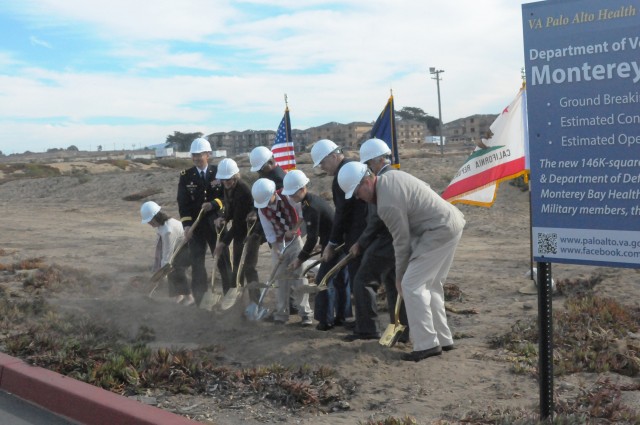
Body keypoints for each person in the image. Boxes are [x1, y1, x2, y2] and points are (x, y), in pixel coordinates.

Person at [338, 162, 465, 362]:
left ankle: (427, 344)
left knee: (411, 285)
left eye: (357, 192)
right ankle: (443, 338)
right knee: (431, 285)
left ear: (366, 181)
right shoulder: (392, 178)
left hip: (438, 230)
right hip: (450, 222)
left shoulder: (386, 203)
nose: (358, 197)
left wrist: (399, 278)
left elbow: (401, 242)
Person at [344, 138, 409, 341]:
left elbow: (375, 220)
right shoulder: (395, 175)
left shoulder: (382, 181)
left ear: (378, 160)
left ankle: (367, 329)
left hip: (388, 238)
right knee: (393, 285)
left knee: (363, 280)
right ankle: (401, 331)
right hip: (396, 236)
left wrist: (361, 243)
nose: (368, 168)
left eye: (369, 163)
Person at [310, 139, 368, 327]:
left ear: (334, 156)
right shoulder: (353, 167)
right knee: (347, 278)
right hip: (358, 233)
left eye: (323, 163)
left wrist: (332, 243)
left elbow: (342, 213)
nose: (322, 168)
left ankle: (333, 322)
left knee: (330, 278)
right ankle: (347, 318)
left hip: (355, 235)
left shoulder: (344, 174)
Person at [283, 170, 344, 331]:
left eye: (292, 194)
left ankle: (326, 321)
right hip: (332, 241)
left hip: (335, 245)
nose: (290, 198)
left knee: (323, 281)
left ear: (302, 189)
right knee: (339, 281)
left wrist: (299, 260)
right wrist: (322, 245)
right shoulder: (308, 202)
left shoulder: (312, 207)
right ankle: (342, 317)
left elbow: (311, 238)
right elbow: (323, 228)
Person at [177, 137, 233, 306]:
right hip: (196, 227)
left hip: (216, 223)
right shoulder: (186, 176)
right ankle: (201, 300)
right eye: (193, 155)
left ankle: (229, 297)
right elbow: (183, 203)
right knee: (197, 264)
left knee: (223, 261)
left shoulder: (219, 172)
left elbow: (227, 196)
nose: (196, 158)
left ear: (208, 154)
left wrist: (215, 205)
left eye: (199, 155)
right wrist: (187, 226)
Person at [251, 178, 313, 325]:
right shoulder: (262, 209)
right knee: (279, 280)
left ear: (273, 193)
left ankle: (305, 314)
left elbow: (302, 214)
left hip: (295, 242)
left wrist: (293, 229)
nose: (266, 205)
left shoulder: (288, 197)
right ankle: (281, 314)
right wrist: (276, 250)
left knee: (299, 276)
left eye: (268, 200)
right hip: (279, 245)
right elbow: (269, 231)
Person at [248, 145, 299, 314]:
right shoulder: (268, 176)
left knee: (288, 269)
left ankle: (290, 305)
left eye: (261, 168)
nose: (259, 172)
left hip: (285, 233)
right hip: (276, 232)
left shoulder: (278, 180)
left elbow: (282, 213)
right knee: (284, 269)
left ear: (269, 163)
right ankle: (289, 304)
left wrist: (273, 241)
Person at [213, 158, 261, 303]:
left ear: (235, 177)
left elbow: (239, 221)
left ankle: (255, 302)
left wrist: (223, 243)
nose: (226, 182)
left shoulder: (243, 191)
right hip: (239, 232)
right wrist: (225, 218)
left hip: (251, 232)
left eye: (229, 179)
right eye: (224, 180)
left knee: (248, 268)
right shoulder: (227, 187)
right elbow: (230, 209)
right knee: (237, 268)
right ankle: (237, 301)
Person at [140, 201, 194, 305]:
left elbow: (167, 256)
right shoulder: (163, 225)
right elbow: (162, 249)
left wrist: (161, 274)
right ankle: (179, 296)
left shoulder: (168, 230)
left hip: (191, 247)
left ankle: (189, 298)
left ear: (155, 218)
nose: (148, 223)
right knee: (171, 268)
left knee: (176, 269)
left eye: (149, 221)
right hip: (180, 247)